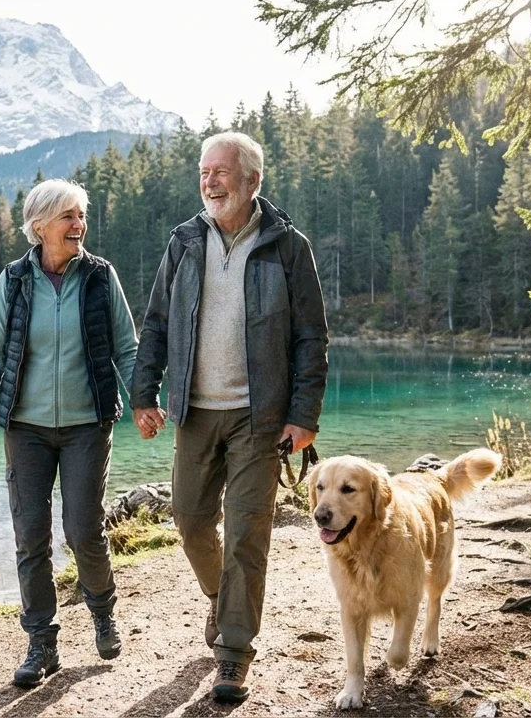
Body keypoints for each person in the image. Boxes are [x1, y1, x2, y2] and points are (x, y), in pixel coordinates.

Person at [131, 131, 329, 703]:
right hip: (194, 410)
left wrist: (303, 414)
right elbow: (158, 323)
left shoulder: (288, 246)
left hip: (259, 418)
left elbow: (311, 336)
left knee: (247, 532)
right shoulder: (184, 242)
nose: (209, 181)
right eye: (203, 171)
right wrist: (146, 395)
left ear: (252, 181)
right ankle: (221, 600)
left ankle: (234, 652)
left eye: (220, 171)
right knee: (190, 520)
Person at [0, 178, 140, 688]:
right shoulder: (14, 280)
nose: (78, 224)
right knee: (30, 538)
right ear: (39, 225)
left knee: (83, 529)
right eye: (68, 215)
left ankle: (103, 611)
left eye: (81, 215)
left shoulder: (101, 278)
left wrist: (145, 402)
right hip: (26, 428)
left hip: (88, 425)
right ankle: (42, 644)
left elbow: (127, 349)